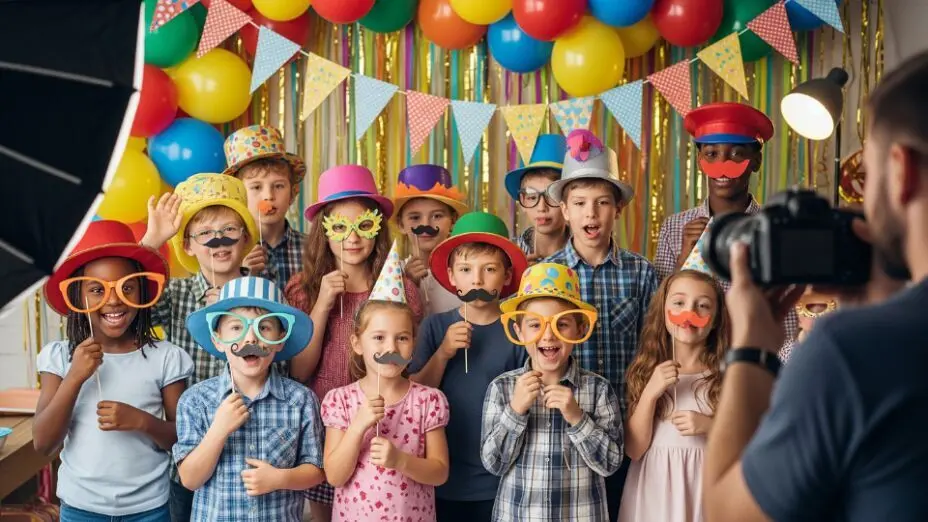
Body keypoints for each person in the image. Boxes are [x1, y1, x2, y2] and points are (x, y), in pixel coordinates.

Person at [702, 52, 928, 522]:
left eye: (869, 173)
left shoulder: (848, 351)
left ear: (901, 171)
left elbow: (727, 514)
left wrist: (751, 348)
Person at [283, 165, 423, 521]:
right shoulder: (304, 288)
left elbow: (408, 359)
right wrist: (322, 304)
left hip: (386, 422)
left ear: (377, 228)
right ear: (323, 234)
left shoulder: (400, 288)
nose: (353, 238)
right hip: (325, 426)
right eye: (340, 228)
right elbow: (300, 370)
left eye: (364, 226)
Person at [140, 173, 280, 521]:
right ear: (187, 244)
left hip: (253, 449)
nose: (218, 240)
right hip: (190, 449)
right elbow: (133, 301)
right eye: (204, 233)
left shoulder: (263, 292)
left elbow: (283, 354)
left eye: (229, 230)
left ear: (246, 238)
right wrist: (151, 241)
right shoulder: (178, 293)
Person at [33, 221, 193, 522]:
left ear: (142, 291)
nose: (115, 299)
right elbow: (43, 443)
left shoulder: (166, 358)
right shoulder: (59, 358)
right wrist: (75, 377)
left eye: (127, 287)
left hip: (149, 510)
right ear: (78, 297)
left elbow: (180, 437)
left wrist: (142, 421)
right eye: (97, 290)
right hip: (81, 510)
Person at [544, 129, 658, 520]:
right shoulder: (546, 274)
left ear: (618, 209)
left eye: (601, 203)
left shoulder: (640, 272)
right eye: (579, 203)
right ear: (564, 211)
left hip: (625, 425)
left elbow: (654, 347)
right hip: (562, 424)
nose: (590, 214)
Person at [409, 211, 529, 521]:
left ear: (505, 276)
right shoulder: (435, 328)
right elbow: (415, 393)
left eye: (489, 269)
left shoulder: (516, 331)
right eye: (465, 269)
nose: (476, 279)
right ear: (451, 276)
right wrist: (443, 353)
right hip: (444, 475)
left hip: (500, 479)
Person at [653, 102, 798, 356]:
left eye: (737, 154)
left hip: (755, 365)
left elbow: (787, 320)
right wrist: (683, 259)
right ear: (699, 161)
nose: (723, 165)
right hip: (692, 371)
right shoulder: (674, 228)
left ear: (756, 161)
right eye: (711, 154)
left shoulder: (778, 230)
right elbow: (660, 315)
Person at [174, 277, 324, 522]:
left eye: (264, 327)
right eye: (236, 327)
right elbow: (190, 479)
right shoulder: (195, 401)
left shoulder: (301, 400)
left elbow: (316, 470)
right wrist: (218, 431)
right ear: (217, 340)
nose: (250, 339)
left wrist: (280, 479)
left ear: (280, 339)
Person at [482, 262, 623, 521]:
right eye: (535, 325)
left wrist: (577, 418)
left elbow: (611, 463)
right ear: (518, 330)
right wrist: (515, 411)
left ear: (580, 329)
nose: (548, 336)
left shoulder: (598, 389)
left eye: (562, 324)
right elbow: (494, 463)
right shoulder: (502, 389)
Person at [321, 242, 450, 521]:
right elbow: (334, 476)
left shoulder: (428, 401)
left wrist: (400, 460)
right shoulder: (340, 401)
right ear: (357, 343)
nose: (391, 347)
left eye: (402, 338)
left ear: (413, 344)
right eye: (378, 337)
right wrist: (358, 427)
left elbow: (440, 473)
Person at [619, 270, 730, 522]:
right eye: (679, 303)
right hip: (654, 491)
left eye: (702, 306)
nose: (689, 313)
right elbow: (634, 450)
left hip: (705, 489)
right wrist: (650, 392)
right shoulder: (646, 370)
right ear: (663, 311)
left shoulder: (727, 376)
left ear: (715, 319)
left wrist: (709, 426)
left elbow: (744, 446)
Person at [223, 124, 308, 289]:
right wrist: (241, 274)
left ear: (293, 193)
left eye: (278, 186)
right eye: (256, 187)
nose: (269, 196)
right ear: (238, 196)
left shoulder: (313, 249)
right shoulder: (227, 251)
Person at [394, 164, 469, 315]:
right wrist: (408, 284)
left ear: (453, 221)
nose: (426, 225)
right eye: (415, 217)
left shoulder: (468, 273)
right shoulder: (392, 274)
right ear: (401, 224)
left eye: (437, 216)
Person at [504, 134, 570, 262]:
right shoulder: (506, 255)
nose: (541, 208)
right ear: (522, 201)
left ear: (568, 202)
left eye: (551, 196)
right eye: (532, 197)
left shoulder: (585, 252)